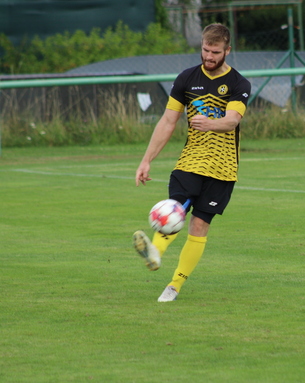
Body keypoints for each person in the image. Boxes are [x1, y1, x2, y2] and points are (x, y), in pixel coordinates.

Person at [132, 23, 251, 302]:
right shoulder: (186, 78)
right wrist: (146, 160)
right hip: (191, 160)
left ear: (227, 51)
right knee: (177, 206)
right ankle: (156, 253)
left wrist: (211, 123)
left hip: (223, 167)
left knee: (199, 226)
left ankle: (174, 286)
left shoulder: (238, 83)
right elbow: (168, 121)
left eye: (215, 52)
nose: (209, 57)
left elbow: (233, 120)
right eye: (205, 50)